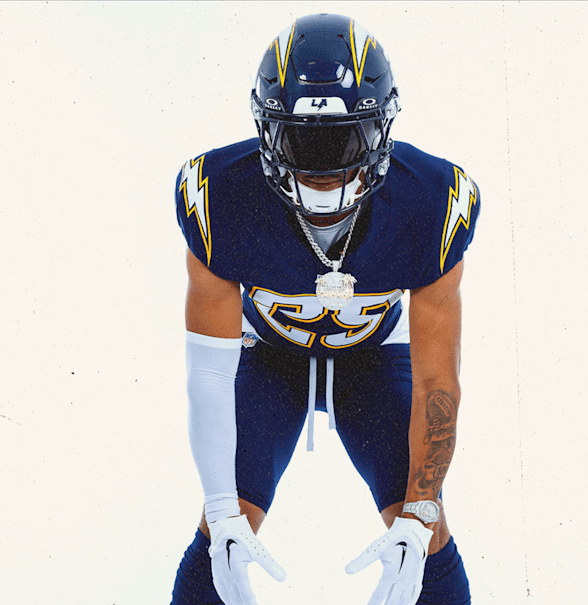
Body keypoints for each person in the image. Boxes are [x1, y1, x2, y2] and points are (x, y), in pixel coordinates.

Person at [171, 14, 476, 605]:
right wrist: (221, 510)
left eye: (343, 140)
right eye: (300, 140)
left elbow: (437, 380)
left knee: (425, 534)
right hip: (268, 355)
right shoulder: (220, 194)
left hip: (374, 356)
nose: (320, 167)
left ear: (382, 127)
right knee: (223, 534)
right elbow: (209, 371)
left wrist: (418, 515)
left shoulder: (430, 199)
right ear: (266, 128)